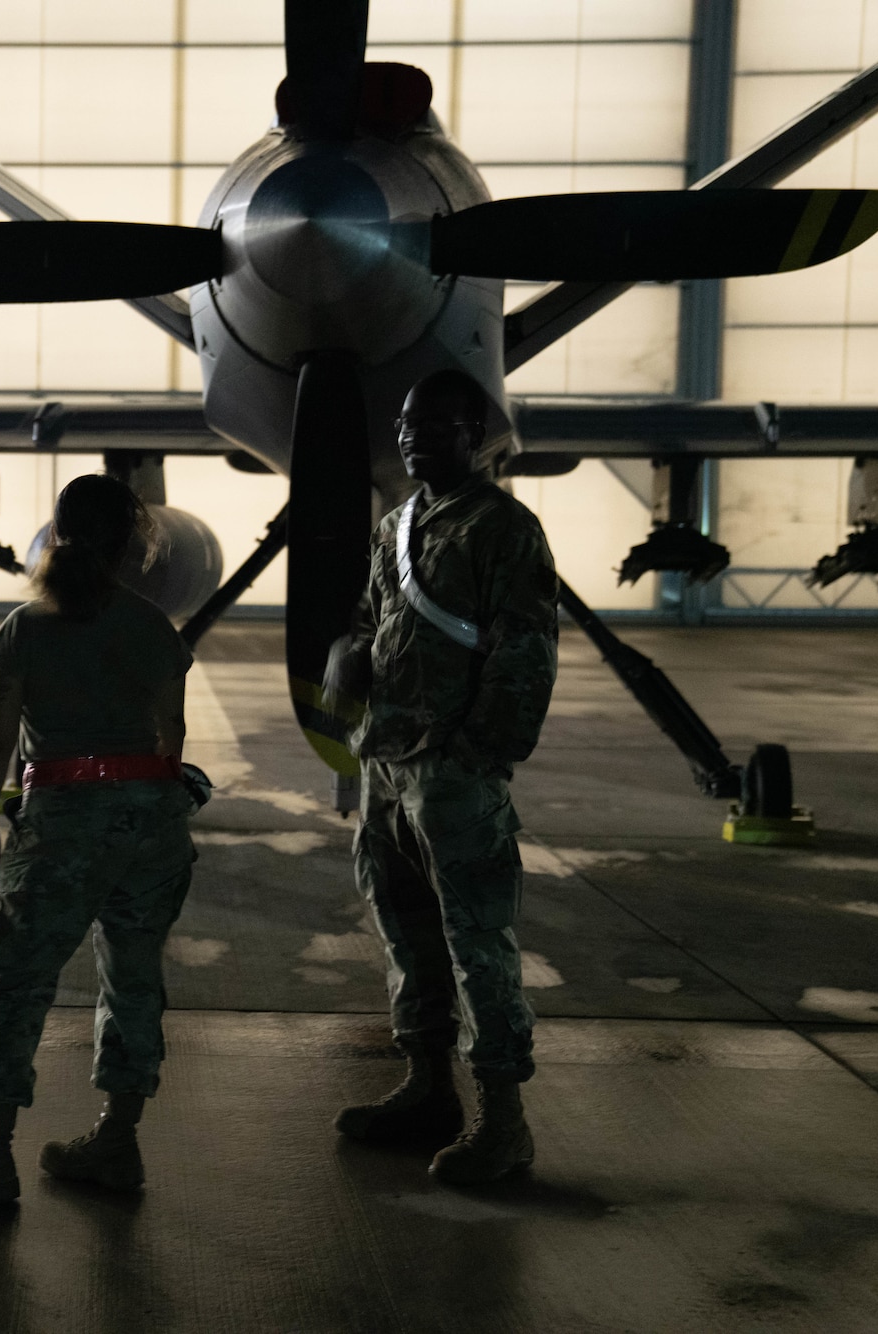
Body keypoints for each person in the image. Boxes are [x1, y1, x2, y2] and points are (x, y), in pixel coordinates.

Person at [0, 474, 198, 1205]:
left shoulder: (27, 627)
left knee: (13, 980)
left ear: (55, 534)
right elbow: (173, 734)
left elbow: (0, 741)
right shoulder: (155, 628)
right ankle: (117, 1143)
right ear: (134, 543)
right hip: (151, 822)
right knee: (133, 981)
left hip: (64, 818)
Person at [321, 367, 559, 1185]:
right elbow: (371, 616)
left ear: (474, 435)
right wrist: (348, 665)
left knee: (477, 945)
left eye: (436, 426)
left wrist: (476, 756)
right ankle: (428, 1088)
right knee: (406, 934)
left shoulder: (504, 528)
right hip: (389, 764)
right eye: (406, 428)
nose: (415, 438)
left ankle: (505, 1122)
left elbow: (525, 649)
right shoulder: (395, 527)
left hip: (452, 771)